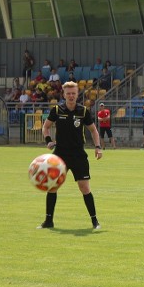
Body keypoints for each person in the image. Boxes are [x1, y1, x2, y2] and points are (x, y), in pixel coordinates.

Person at [39, 81, 103, 230]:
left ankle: (95, 221)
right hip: (60, 154)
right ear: (64, 94)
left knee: (84, 188)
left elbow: (93, 130)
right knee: (52, 187)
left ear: (77, 94)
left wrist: (98, 147)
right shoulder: (57, 110)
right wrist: (48, 141)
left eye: (74, 93)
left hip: (78, 154)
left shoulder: (83, 111)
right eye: (68, 93)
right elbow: (46, 127)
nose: (71, 95)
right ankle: (48, 221)